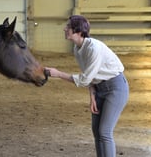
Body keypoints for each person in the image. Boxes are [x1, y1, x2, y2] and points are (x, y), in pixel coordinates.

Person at [45, 15, 129, 157]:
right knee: (97, 131)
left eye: (68, 27)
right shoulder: (78, 49)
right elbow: (90, 75)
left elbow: (84, 79)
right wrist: (92, 96)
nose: (65, 29)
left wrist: (58, 74)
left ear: (78, 31)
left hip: (116, 88)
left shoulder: (93, 48)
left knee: (105, 131)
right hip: (99, 89)